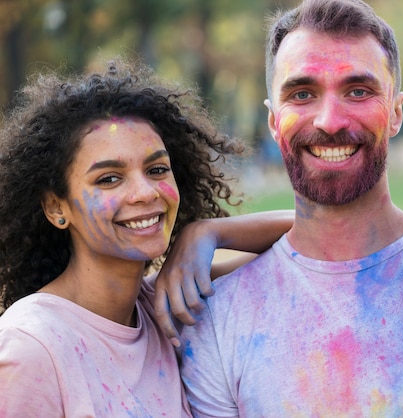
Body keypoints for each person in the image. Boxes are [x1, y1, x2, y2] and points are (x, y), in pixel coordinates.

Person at [155, 1, 403, 416]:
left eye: (358, 91)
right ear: (272, 121)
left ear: (395, 112)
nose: (330, 121)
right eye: (302, 94)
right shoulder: (215, 314)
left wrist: (213, 231)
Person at [0, 58, 292, 416]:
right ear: (56, 208)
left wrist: (206, 233)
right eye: (109, 178)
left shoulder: (164, 302)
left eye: (156, 170)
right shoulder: (31, 345)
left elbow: (310, 237)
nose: (145, 192)